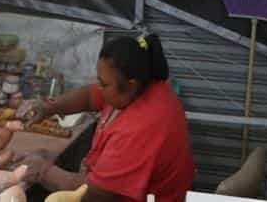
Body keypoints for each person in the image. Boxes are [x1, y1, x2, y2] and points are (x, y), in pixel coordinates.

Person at [15, 34, 194, 202]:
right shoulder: (137, 86)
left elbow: (97, 192)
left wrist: (43, 171)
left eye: (104, 84)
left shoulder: (142, 125)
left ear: (131, 84)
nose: (99, 88)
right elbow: (90, 96)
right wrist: (49, 107)